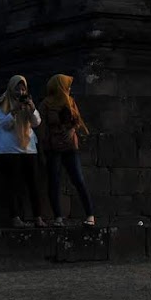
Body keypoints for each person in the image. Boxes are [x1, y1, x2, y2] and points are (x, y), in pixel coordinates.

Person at [40, 74, 96, 227]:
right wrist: (45, 144)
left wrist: (71, 130)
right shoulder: (46, 104)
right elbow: (42, 126)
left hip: (70, 145)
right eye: (66, 85)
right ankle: (58, 217)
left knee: (78, 179)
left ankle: (90, 215)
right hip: (53, 146)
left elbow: (77, 121)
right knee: (54, 181)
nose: (69, 88)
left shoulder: (70, 101)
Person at [0, 74, 45, 227]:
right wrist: (14, 111)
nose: (20, 93)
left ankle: (38, 217)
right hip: (9, 149)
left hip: (28, 148)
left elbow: (36, 123)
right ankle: (15, 217)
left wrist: (32, 108)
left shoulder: (27, 103)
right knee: (14, 185)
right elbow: (4, 125)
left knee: (34, 184)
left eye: (23, 89)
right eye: (17, 89)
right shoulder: (4, 102)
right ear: (11, 88)